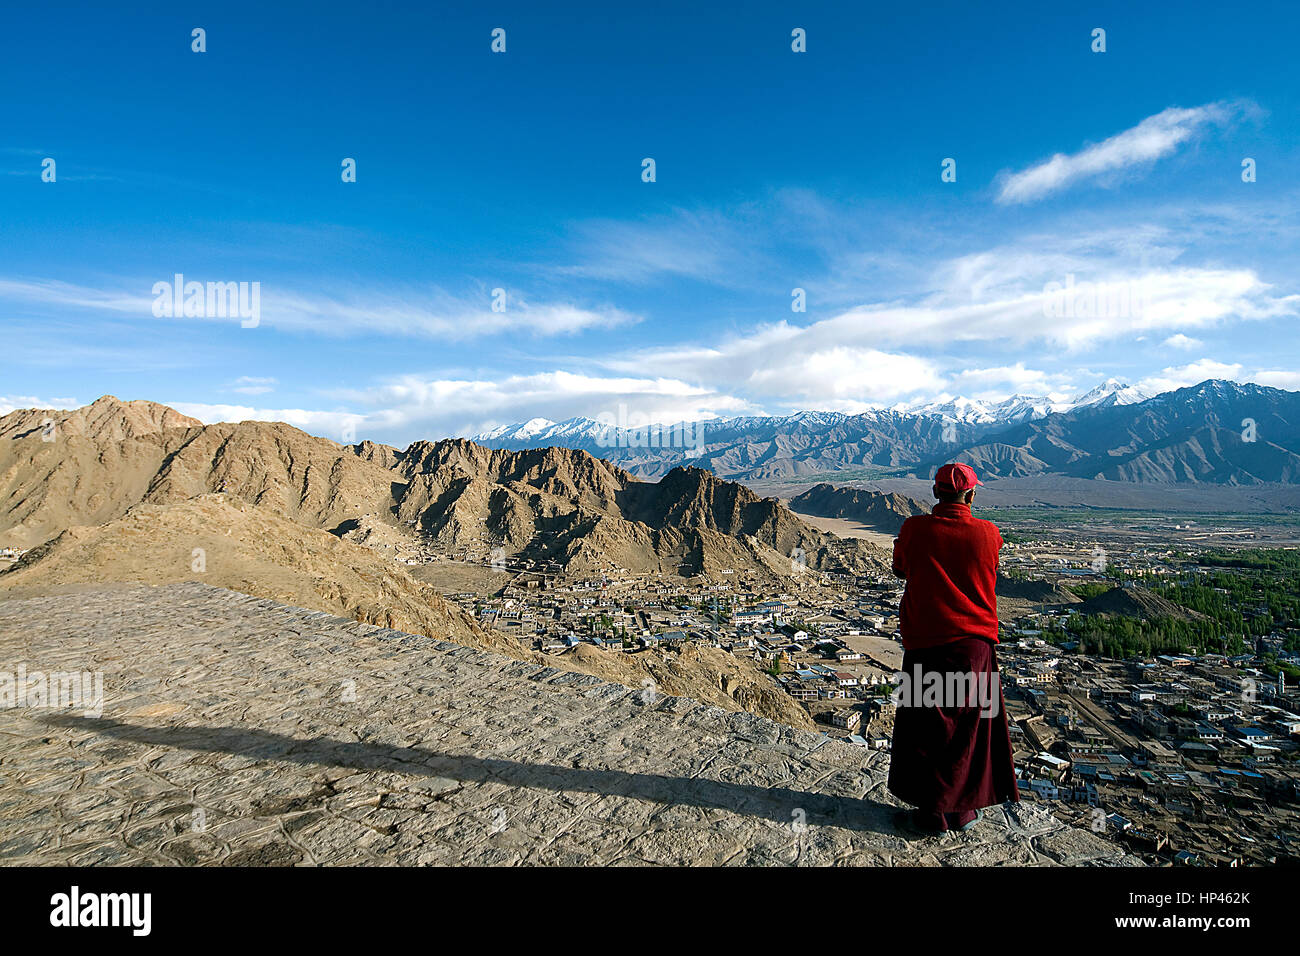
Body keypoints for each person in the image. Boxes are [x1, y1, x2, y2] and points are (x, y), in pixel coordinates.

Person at [886, 462, 1018, 835]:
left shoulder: (914, 529)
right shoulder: (989, 533)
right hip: (973, 647)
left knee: (926, 726)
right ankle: (961, 810)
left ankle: (930, 812)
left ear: (935, 492)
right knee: (967, 729)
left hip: (926, 642)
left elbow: (901, 568)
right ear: (972, 494)